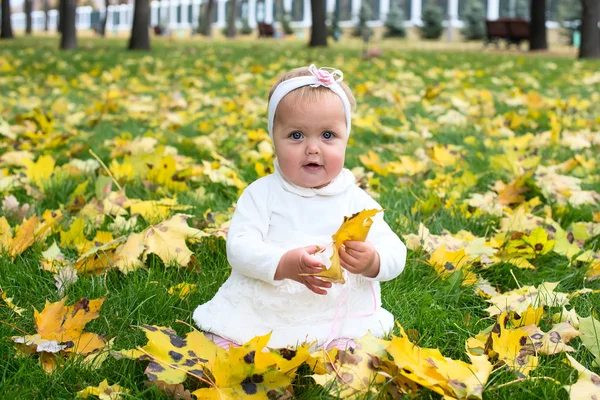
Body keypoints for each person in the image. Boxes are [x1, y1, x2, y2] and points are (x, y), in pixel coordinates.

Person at [193, 64, 407, 351]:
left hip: (337, 311)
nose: (313, 148)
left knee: (353, 347)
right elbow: (239, 247)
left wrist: (374, 261)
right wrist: (282, 263)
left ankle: (337, 349)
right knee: (232, 338)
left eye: (328, 135)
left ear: (346, 139)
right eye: (296, 136)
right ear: (274, 140)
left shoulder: (357, 202)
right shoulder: (261, 194)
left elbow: (395, 249)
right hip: (268, 305)